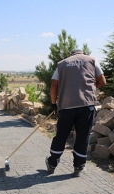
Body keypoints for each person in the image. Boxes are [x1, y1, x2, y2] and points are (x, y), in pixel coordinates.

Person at [45, 49, 106, 177]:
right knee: (83, 136)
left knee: (61, 135)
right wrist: (88, 88)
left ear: (71, 55)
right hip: (86, 105)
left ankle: (52, 163)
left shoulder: (62, 63)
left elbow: (54, 85)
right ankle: (78, 166)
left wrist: (53, 104)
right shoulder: (92, 60)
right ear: (83, 54)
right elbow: (102, 82)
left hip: (67, 106)